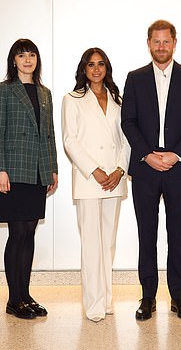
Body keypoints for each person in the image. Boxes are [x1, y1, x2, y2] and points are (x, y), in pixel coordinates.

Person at [121, 20, 181, 321]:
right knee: (147, 234)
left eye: (165, 41)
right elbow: (127, 121)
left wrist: (175, 155)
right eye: (155, 41)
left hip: (179, 169)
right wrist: (147, 155)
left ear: (174, 42)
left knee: (176, 235)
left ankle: (179, 298)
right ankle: (148, 297)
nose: (161, 46)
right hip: (145, 169)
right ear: (148, 43)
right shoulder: (134, 78)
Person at [0, 39, 58, 320]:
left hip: (37, 172)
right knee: (16, 235)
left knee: (29, 234)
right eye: (22, 56)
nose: (27, 60)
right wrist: (0, 169)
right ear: (13, 60)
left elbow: (49, 133)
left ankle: (26, 294)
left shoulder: (44, 92)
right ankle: (13, 299)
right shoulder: (3, 90)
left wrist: (52, 169)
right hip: (13, 171)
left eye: (31, 55)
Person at [61, 47, 130, 322]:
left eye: (101, 64)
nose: (97, 69)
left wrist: (120, 169)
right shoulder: (73, 99)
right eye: (91, 65)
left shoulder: (118, 99)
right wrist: (95, 170)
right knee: (91, 242)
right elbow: (69, 140)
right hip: (90, 179)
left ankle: (107, 299)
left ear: (107, 68)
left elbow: (127, 138)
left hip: (115, 179)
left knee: (108, 243)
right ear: (84, 69)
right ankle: (93, 304)